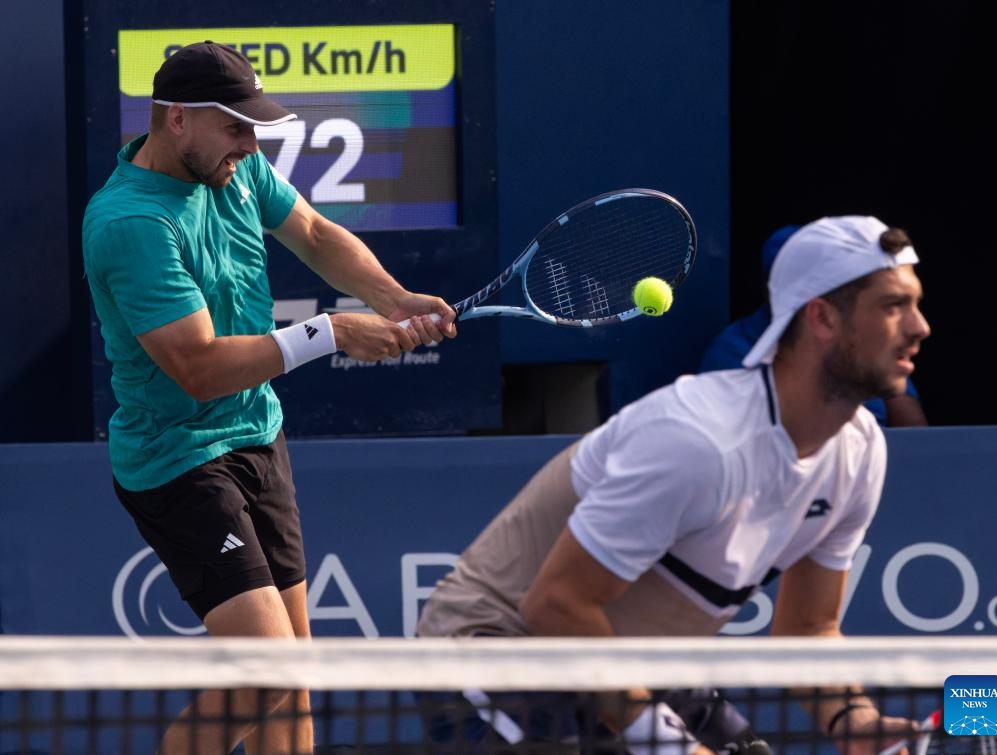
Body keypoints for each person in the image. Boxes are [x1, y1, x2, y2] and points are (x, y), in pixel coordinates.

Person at [417, 216, 930, 755]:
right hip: (497, 650)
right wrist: (676, 747)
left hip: (632, 657)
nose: (920, 327)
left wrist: (853, 720)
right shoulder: (698, 442)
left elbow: (809, 627)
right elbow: (555, 605)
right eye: (893, 306)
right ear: (822, 318)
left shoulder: (859, 452)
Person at [82, 41, 455, 754]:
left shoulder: (238, 166)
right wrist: (333, 331)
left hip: (257, 434)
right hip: (178, 460)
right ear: (177, 118)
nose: (251, 145)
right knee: (266, 672)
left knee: (292, 677)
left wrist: (392, 296)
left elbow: (311, 231)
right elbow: (197, 367)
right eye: (236, 128)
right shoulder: (131, 223)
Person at [700, 225, 928, 427]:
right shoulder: (731, 353)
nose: (920, 329)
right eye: (892, 304)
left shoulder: (863, 439)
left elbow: (915, 434)